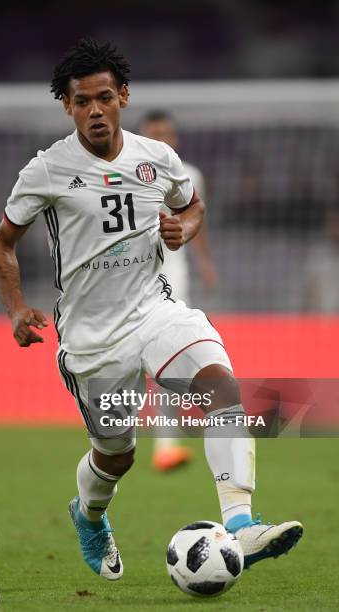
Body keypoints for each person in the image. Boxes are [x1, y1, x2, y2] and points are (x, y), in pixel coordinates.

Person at [0, 38, 303, 581]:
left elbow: (193, 206)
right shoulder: (45, 170)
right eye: (82, 101)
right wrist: (16, 307)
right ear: (67, 106)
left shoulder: (157, 158)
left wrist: (185, 229)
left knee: (220, 386)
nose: (94, 110)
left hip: (156, 312)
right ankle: (88, 515)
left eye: (104, 97)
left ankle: (241, 523)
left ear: (124, 97)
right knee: (116, 458)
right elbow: (2, 243)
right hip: (92, 339)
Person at [139, 110, 218, 472]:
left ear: (175, 139)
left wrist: (203, 261)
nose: (161, 140)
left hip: (173, 273)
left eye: (166, 134)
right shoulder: (126, 173)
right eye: (154, 134)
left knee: (166, 357)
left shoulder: (188, 175)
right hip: (131, 276)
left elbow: (195, 219)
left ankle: (166, 445)